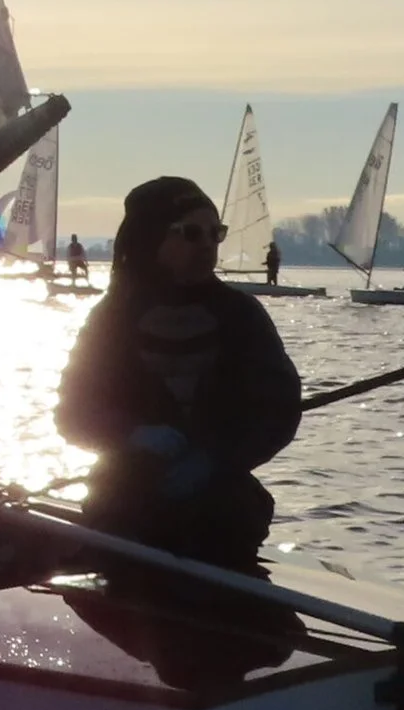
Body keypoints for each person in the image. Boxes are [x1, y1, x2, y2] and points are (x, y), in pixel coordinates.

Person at [57, 175, 303, 567]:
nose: (206, 245)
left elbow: (278, 411)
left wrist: (214, 459)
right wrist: (132, 434)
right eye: (190, 233)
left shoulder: (242, 317)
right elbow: (73, 413)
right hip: (121, 514)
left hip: (224, 516)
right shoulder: (112, 319)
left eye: (214, 233)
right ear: (151, 237)